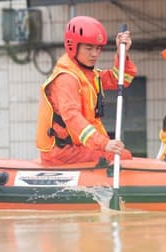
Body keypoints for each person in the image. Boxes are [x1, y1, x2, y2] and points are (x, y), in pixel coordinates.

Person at [36, 16, 137, 166]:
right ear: (73, 46)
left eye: (98, 48)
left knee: (123, 155)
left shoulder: (88, 74)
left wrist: (122, 53)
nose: (94, 54)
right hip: (62, 152)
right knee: (122, 156)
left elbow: (120, 79)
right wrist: (103, 143)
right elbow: (72, 117)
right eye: (89, 48)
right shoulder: (66, 78)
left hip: (76, 146)